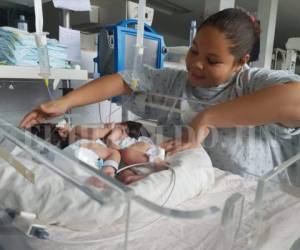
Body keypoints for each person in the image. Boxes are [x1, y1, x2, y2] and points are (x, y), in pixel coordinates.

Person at [20, 8, 300, 179]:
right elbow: (123, 81)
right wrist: (63, 102)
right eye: (194, 50)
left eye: (212, 61)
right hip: (195, 187)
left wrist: (207, 118)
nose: (197, 64)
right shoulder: (177, 83)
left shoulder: (249, 84)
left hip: (255, 198)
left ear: (241, 62)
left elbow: (295, 99)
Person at [29, 121, 166, 183]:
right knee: (123, 174)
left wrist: (110, 132)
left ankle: (157, 163)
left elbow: (97, 135)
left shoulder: (119, 134)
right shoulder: (77, 136)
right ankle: (133, 178)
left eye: (120, 128)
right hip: (119, 162)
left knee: (126, 154)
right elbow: (95, 136)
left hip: (139, 152)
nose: (108, 124)